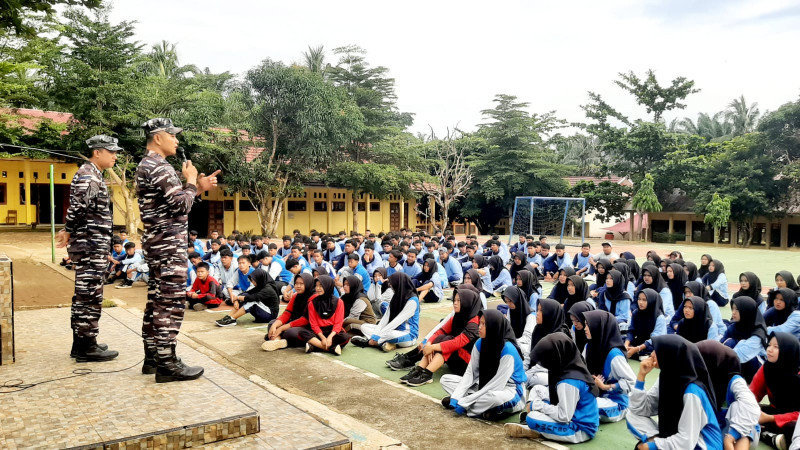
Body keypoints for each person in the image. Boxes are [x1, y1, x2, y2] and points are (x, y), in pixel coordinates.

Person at [136, 118, 219, 383]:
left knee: (156, 300)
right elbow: (181, 206)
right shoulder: (159, 167)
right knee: (169, 303)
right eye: (172, 135)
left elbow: (173, 203)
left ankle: (154, 357)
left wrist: (197, 188)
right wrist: (193, 182)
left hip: (158, 243)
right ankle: (167, 364)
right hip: (168, 245)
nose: (177, 140)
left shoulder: (149, 165)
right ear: (157, 137)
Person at [56, 135, 121, 362]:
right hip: (90, 245)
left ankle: (83, 343)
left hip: (92, 244)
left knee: (86, 294)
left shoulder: (92, 173)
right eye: (111, 151)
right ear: (97, 152)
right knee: (89, 295)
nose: (115, 156)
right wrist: (68, 230)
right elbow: (78, 208)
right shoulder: (88, 175)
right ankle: (86, 347)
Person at [626, 335, 723, 450]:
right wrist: (641, 376)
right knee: (633, 415)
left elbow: (687, 441)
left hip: (701, 445)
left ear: (671, 355)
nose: (652, 354)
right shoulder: (667, 376)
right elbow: (640, 409)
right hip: (682, 439)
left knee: (645, 447)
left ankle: (659, 443)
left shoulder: (692, 391)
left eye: (657, 351)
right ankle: (659, 441)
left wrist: (651, 446)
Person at [504, 334, 599, 443]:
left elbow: (564, 416)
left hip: (579, 429)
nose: (543, 363)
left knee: (532, 418)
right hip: (573, 414)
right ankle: (540, 428)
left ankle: (536, 428)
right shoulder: (569, 367)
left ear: (555, 356)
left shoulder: (568, 382)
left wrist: (536, 405)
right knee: (538, 389)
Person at [440, 310, 526, 420]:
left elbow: (497, 385)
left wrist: (465, 402)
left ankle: (468, 404)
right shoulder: (480, 343)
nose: (479, 327)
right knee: (446, 380)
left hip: (510, 390)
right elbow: (471, 373)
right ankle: (478, 407)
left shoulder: (508, 350)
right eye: (479, 323)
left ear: (494, 326)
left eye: (484, 324)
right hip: (484, 385)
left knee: (494, 398)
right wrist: (456, 396)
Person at [399, 289, 482, 387]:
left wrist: (433, 347)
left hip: (469, 365)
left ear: (468, 302)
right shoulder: (457, 317)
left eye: (459, 301)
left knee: (448, 340)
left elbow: (457, 342)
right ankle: (419, 369)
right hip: (457, 357)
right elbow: (440, 331)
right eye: (454, 300)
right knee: (441, 337)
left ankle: (427, 374)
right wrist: (429, 344)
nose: (455, 303)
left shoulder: (474, 323)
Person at [696, 340, 762, 450]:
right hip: (713, 432)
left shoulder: (734, 380)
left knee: (739, 407)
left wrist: (731, 436)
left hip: (736, 434)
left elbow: (751, 406)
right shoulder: (698, 380)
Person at [750, 332, 800, 450]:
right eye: (769, 345)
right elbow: (752, 394)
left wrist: (770, 418)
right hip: (774, 411)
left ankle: (766, 435)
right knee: (745, 411)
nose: (769, 349)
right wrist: (749, 409)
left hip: (795, 419)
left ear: (787, 351)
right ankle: (775, 439)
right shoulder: (767, 368)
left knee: (792, 428)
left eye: (776, 347)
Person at [353, 273, 420, 352]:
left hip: (408, 335)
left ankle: (370, 343)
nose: (390, 286)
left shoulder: (412, 300)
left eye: (392, 284)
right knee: (364, 327)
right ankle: (386, 343)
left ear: (399, 284)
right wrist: (376, 335)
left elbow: (397, 321)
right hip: (392, 330)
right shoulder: (395, 298)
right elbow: (385, 319)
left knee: (389, 334)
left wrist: (378, 335)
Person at [525, 298, 571, 388]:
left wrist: (525, 375)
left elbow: (550, 367)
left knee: (539, 379)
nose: (537, 313)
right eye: (537, 310)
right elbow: (529, 354)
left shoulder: (560, 336)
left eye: (541, 311)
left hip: (552, 374)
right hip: (535, 371)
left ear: (550, 314)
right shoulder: (538, 329)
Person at [721, 297, 768, 383]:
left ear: (747, 311)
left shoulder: (759, 333)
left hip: (757, 365)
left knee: (749, 356)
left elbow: (742, 354)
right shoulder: (734, 327)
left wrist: (719, 362)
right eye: (733, 309)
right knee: (729, 342)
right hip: (736, 362)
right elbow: (721, 344)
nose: (733, 312)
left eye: (737, 309)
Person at [262, 273, 314, 351]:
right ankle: (277, 340)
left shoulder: (313, 297)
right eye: (296, 283)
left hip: (308, 327)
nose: (298, 286)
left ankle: (278, 338)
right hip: (294, 323)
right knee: (272, 323)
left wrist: (282, 328)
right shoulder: (295, 296)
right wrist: (275, 325)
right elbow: (287, 313)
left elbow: (305, 320)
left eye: (301, 284)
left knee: (290, 332)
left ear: (308, 284)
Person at [300, 275, 351, 355]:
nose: (318, 288)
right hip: (318, 332)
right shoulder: (312, 303)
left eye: (321, 286)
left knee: (345, 337)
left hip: (333, 331)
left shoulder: (339, 302)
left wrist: (330, 337)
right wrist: (323, 338)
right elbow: (313, 324)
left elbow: (338, 324)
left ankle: (315, 346)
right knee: (302, 333)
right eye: (316, 286)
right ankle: (331, 348)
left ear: (328, 286)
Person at [625, 289, 666, 360]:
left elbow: (655, 339)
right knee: (620, 340)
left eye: (644, 300)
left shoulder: (659, 317)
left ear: (651, 301)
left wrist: (638, 348)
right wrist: (626, 344)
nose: (640, 302)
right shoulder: (636, 313)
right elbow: (631, 331)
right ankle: (635, 352)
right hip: (639, 341)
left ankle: (639, 353)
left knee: (654, 349)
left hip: (652, 344)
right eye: (639, 299)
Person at [501, 286, 535, 356]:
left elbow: (528, 338)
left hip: (525, 346)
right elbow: (508, 328)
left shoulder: (530, 316)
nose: (508, 304)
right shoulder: (510, 310)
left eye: (510, 301)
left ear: (516, 299)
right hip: (513, 342)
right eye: (506, 302)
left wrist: (511, 341)